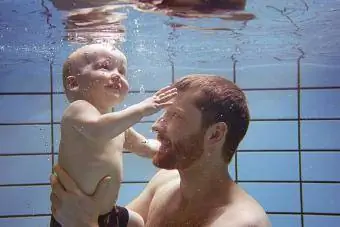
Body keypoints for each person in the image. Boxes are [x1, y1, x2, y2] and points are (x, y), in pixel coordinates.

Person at [50, 74, 272, 227]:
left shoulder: (241, 222)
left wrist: (83, 224)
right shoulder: (164, 183)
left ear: (215, 134)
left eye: (175, 116)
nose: (156, 126)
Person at [50, 43, 177, 227]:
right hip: (70, 217)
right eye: (104, 67)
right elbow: (98, 130)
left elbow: (143, 146)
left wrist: (170, 148)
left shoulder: (116, 125)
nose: (117, 75)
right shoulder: (78, 110)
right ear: (74, 83)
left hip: (107, 213)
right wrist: (142, 109)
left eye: (122, 71)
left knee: (137, 222)